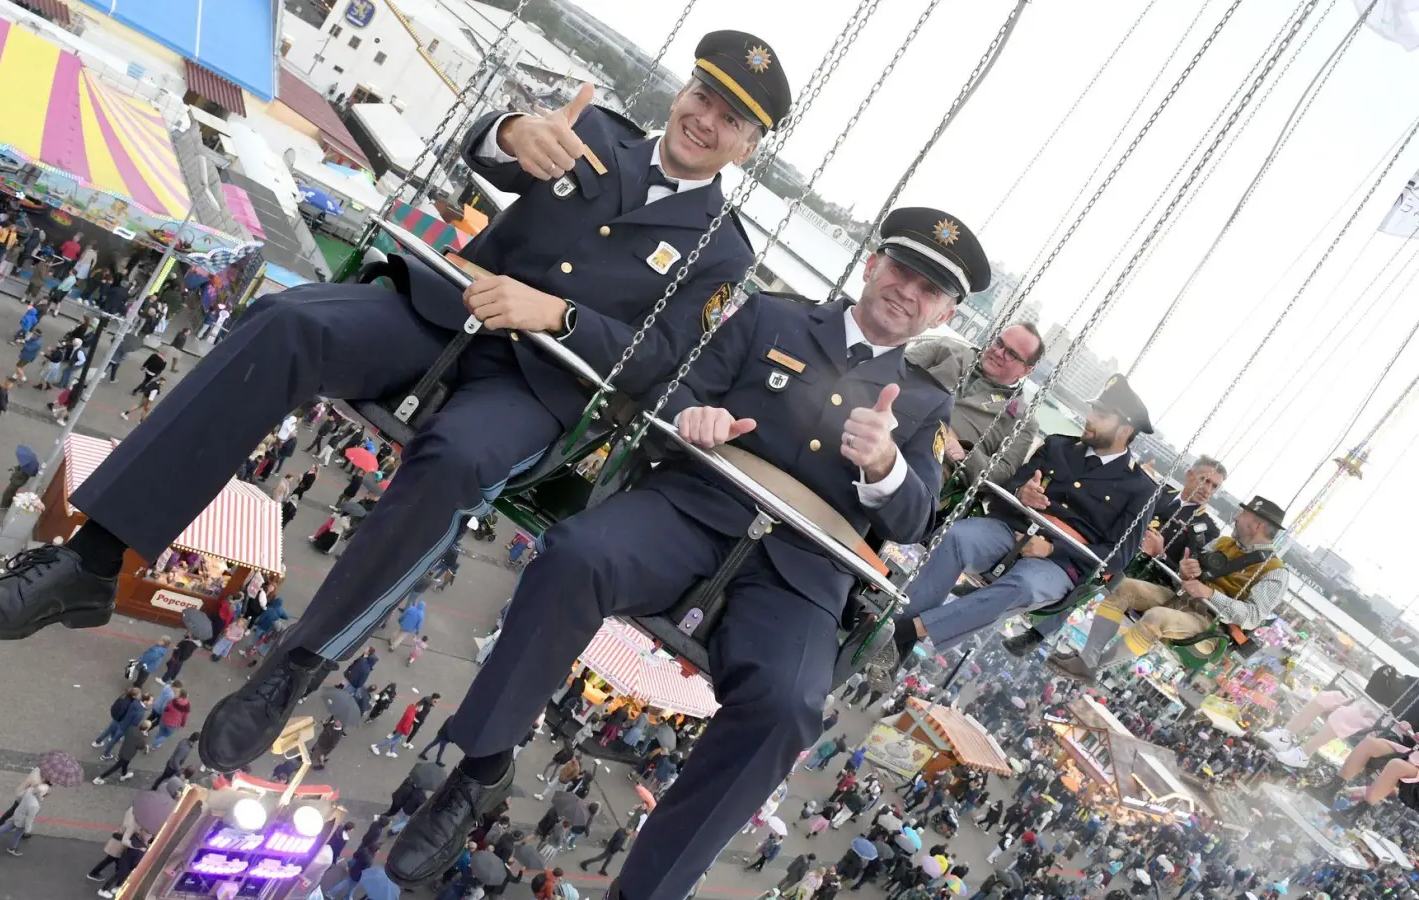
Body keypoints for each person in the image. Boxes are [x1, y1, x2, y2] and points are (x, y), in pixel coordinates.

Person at [0, 32, 788, 770]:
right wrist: (510, 131)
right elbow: (480, 152)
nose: (706, 121)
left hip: (533, 386)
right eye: (704, 95)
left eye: (732, 121)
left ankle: (294, 667)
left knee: (455, 463)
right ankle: (89, 561)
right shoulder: (593, 131)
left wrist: (558, 314)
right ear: (683, 90)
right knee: (284, 323)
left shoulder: (721, 252)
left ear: (746, 148)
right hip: (441, 308)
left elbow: (661, 367)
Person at [388, 202, 985, 899]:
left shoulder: (924, 405)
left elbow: (915, 519)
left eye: (930, 290)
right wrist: (691, 415)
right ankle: (481, 769)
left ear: (942, 316)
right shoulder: (773, 318)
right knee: (575, 555)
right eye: (902, 270)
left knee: (787, 706)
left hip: (801, 570)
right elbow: (676, 386)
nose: (907, 293)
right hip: (697, 507)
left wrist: (885, 465)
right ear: (872, 264)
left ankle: (645, 890)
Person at [887, 374, 1160, 666]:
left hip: (1060, 563)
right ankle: (893, 645)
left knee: (1023, 588)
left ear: (1125, 430)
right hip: (1010, 530)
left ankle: (904, 632)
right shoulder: (1058, 447)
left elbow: (1118, 556)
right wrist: (1021, 492)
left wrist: (1053, 549)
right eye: (1093, 410)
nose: (1090, 418)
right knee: (954, 537)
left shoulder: (1140, 488)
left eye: (1101, 415)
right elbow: (1004, 489)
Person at [1046, 496, 1289, 681]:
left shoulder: (1275, 571)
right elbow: (1189, 578)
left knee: (1156, 618)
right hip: (1181, 599)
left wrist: (1211, 595)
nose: (1236, 518)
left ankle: (1094, 668)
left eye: (1243, 515)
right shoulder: (1223, 542)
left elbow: (1252, 617)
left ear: (1256, 525)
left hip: (1210, 626)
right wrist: (1186, 571)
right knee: (1122, 587)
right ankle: (1087, 660)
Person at [905, 324, 1043, 488]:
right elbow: (893, 369)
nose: (998, 353)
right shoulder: (945, 348)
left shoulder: (1022, 420)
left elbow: (1005, 473)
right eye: (999, 343)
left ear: (1026, 370)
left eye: (1011, 354)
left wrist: (965, 454)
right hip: (894, 420)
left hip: (932, 464)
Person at [0, 783, 48, 855]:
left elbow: (19, 796)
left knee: (6, 827)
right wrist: (27, 830)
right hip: (22, 821)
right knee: (18, 835)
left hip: (18, 813)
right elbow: (29, 819)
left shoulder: (29, 790)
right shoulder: (35, 805)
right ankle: (12, 848)